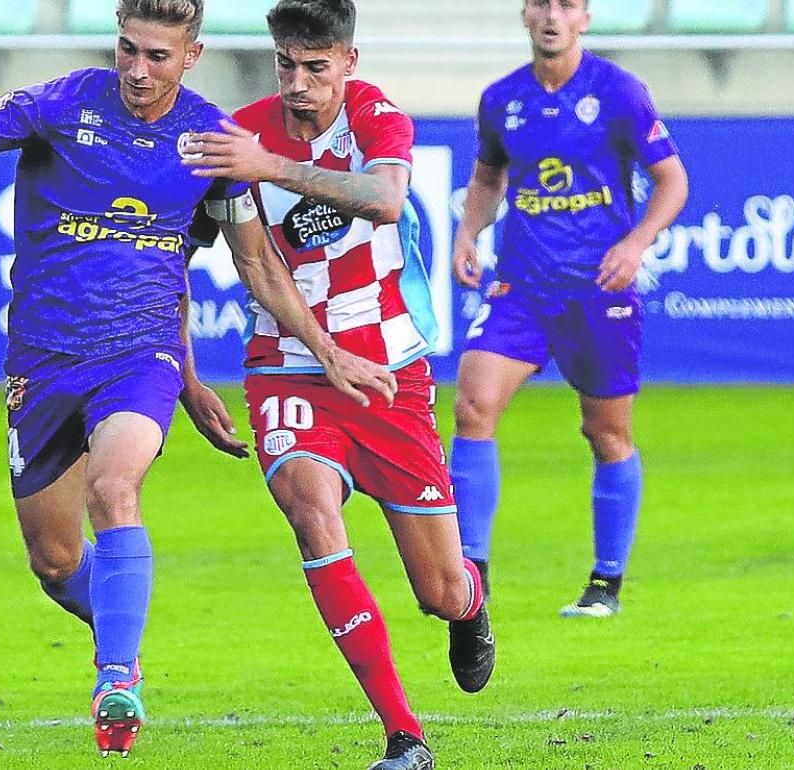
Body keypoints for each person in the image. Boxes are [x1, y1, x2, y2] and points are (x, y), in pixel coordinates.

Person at [0, 0, 392, 758]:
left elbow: (257, 267)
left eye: (157, 56)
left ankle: (115, 680)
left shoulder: (213, 141)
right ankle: (122, 620)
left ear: (193, 56)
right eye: (128, 50)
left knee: (115, 488)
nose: (138, 71)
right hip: (42, 361)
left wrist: (324, 350)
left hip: (137, 355)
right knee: (54, 563)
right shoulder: (61, 103)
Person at [185, 2, 493, 767]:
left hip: (389, 373)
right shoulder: (240, 129)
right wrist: (183, 371)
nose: (298, 82)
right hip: (286, 363)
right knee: (311, 512)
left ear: (347, 62)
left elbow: (385, 197)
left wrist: (272, 169)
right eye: (285, 64)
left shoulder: (376, 115)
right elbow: (179, 254)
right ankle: (403, 735)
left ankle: (471, 604)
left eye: (316, 67)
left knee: (439, 592)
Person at [450, 0, 688, 618]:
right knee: (472, 406)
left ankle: (605, 583)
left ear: (584, 17)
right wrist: (468, 233)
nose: (553, 15)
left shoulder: (618, 92)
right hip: (521, 287)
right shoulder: (501, 98)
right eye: (542, 4)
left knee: (606, 433)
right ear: (525, 15)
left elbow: (673, 181)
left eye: (568, 4)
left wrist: (635, 244)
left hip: (598, 291)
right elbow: (487, 177)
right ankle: (471, 572)